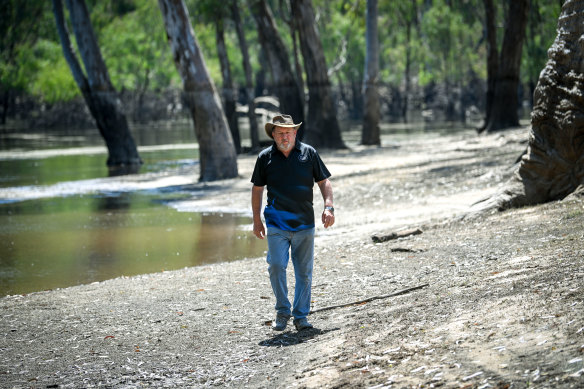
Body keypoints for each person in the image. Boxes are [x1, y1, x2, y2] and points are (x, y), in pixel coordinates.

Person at [251, 114, 335, 331]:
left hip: (304, 224)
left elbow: (324, 182)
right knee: (277, 265)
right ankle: (282, 311)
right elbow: (257, 189)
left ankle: (300, 316)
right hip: (276, 224)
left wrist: (328, 207)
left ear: (295, 133)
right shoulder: (264, 158)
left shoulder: (309, 154)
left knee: (304, 272)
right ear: (273, 135)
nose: (284, 136)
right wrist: (256, 220)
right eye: (280, 132)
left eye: (288, 131)